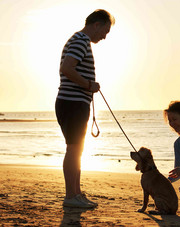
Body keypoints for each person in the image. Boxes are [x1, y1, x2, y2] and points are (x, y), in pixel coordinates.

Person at [55, 9, 115, 208]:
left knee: (77, 149)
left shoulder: (79, 40)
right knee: (74, 149)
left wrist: (88, 86)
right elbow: (67, 68)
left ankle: (77, 193)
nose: (104, 37)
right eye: (105, 31)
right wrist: (89, 85)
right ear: (96, 24)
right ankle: (71, 196)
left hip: (75, 102)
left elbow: (69, 68)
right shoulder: (81, 40)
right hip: (72, 103)